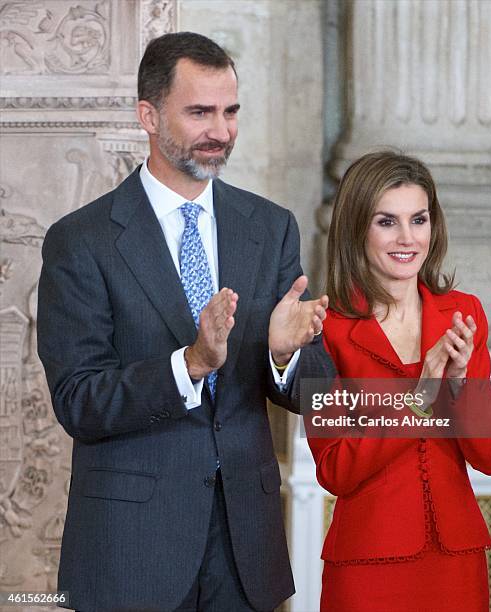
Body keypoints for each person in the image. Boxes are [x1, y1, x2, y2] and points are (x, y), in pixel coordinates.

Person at [37, 32, 335, 612]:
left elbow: (316, 392)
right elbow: (78, 400)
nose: (220, 131)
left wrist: (282, 354)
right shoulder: (81, 241)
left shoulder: (270, 228)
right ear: (148, 115)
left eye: (230, 112)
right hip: (130, 554)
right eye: (199, 112)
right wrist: (190, 364)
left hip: (245, 553)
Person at [307, 150, 491, 612]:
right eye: (386, 221)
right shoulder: (323, 328)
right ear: (357, 227)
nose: (407, 238)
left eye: (418, 220)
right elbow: (334, 470)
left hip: (455, 563)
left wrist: (457, 388)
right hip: (366, 565)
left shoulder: (464, 313)